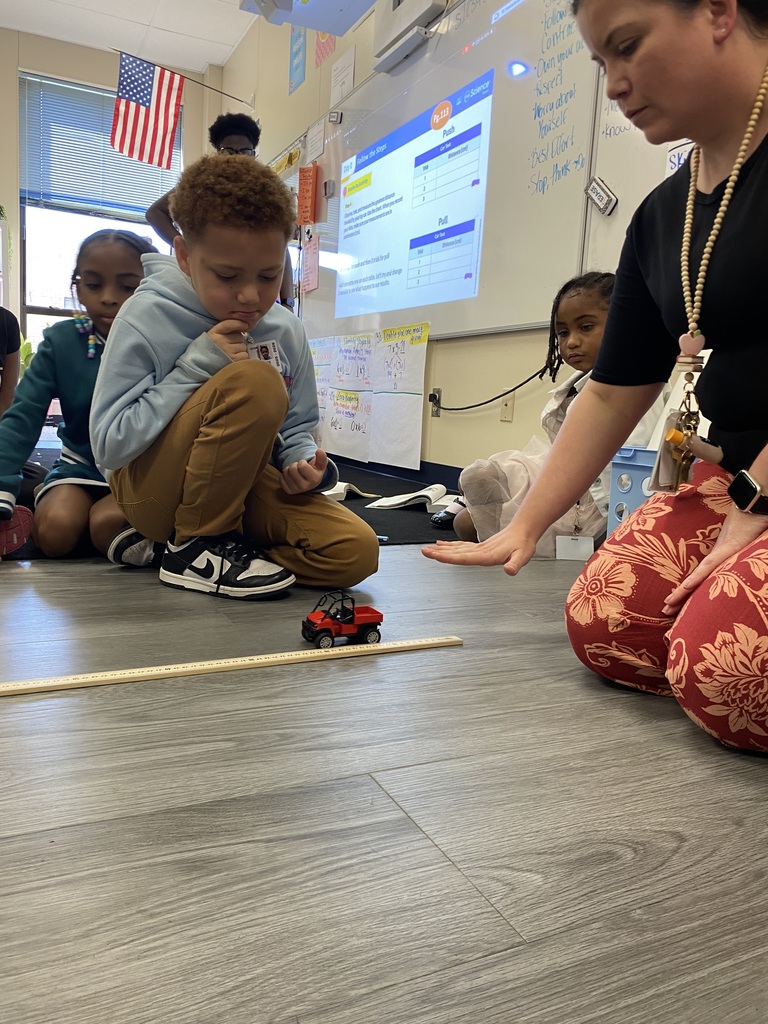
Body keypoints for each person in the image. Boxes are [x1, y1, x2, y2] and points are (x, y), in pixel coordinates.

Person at [424, 0, 768, 755]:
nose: (613, 84)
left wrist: (755, 501)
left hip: (759, 487)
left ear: (717, 11)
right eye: (599, 63)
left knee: (722, 673)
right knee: (609, 624)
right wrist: (524, 523)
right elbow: (615, 388)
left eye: (628, 47)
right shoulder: (665, 215)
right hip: (740, 477)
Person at [90, 154, 379, 600]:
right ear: (184, 256)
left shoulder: (284, 327)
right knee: (255, 381)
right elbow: (110, 444)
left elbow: (298, 428)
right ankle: (196, 547)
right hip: (149, 491)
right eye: (227, 275)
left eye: (269, 275)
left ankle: (204, 551)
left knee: (354, 553)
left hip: (239, 488)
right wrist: (196, 367)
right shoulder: (145, 316)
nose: (250, 295)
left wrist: (303, 465)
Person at [438, 273, 667, 554]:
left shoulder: (638, 389)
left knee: (471, 523)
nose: (571, 342)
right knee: (470, 505)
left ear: (626, 324)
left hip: (605, 506)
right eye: (562, 332)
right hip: (573, 493)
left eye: (585, 327)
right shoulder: (572, 389)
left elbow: (631, 471)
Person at [0, 229, 158, 558]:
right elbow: (23, 415)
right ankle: (55, 493)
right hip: (80, 463)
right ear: (78, 286)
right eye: (94, 284)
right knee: (54, 534)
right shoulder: (62, 341)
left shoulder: (166, 340)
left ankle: (82, 509)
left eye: (128, 286)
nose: (109, 297)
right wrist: (2, 478)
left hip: (144, 468)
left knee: (107, 527)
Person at [145, 112, 296, 311]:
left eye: (246, 151)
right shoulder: (204, 185)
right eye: (229, 151)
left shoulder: (263, 189)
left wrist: (287, 302)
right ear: (217, 152)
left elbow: (280, 249)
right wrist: (192, 247)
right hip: (214, 287)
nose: (238, 158)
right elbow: (154, 213)